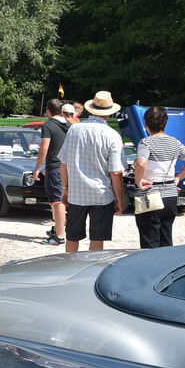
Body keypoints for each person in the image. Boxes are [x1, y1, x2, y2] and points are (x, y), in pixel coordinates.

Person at [58, 91, 126, 253]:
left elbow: (64, 163)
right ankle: (90, 272)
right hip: (102, 196)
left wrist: (65, 189)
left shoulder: (74, 130)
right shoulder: (112, 135)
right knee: (97, 238)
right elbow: (116, 172)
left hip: (76, 194)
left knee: (72, 236)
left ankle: (70, 269)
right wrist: (120, 199)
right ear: (109, 112)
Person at [132, 106, 185, 248]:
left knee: (150, 243)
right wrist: (177, 178)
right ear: (166, 123)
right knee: (166, 240)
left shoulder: (146, 142)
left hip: (150, 195)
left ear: (146, 123)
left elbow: (141, 163)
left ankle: (152, 270)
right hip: (170, 195)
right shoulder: (174, 142)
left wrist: (138, 180)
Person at [34, 99, 73, 246]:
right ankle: (57, 228)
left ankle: (59, 236)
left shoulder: (48, 125)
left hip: (55, 167)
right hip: (68, 167)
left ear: (48, 111)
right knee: (62, 199)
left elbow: (44, 147)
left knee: (57, 202)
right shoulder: (70, 125)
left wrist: (37, 167)